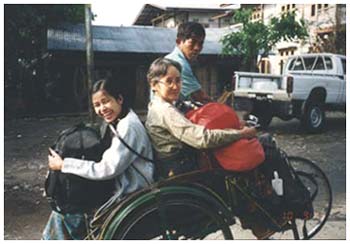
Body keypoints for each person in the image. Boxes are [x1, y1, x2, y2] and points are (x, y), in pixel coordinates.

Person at [42, 78, 154, 240]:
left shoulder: (128, 127)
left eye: (105, 102)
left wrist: (64, 164)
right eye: (97, 105)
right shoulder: (121, 120)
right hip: (121, 182)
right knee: (66, 205)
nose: (102, 109)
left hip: (131, 189)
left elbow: (106, 169)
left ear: (119, 99)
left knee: (71, 210)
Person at [145, 57, 256, 178]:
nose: (175, 86)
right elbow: (203, 139)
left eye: (178, 81)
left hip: (178, 162)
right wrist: (241, 134)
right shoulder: (165, 110)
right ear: (154, 85)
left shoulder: (158, 105)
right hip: (181, 166)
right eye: (169, 81)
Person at [165, 22, 211, 103]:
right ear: (179, 41)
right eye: (192, 43)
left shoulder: (170, 58)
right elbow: (201, 97)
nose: (197, 48)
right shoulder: (179, 64)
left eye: (200, 44)